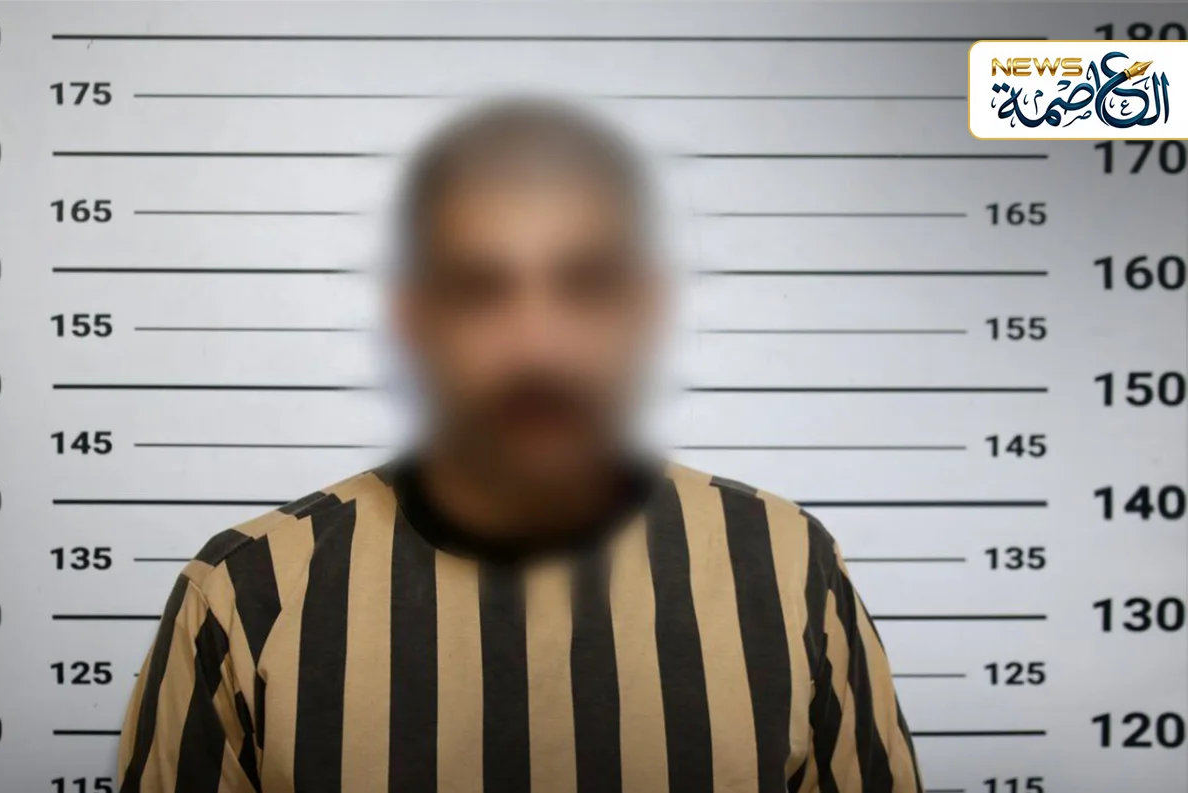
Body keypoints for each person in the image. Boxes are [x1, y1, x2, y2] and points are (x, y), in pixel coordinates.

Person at [117, 97, 922, 793]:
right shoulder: (246, 592)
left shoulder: (784, 564)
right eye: (480, 288)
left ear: (643, 309)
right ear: (414, 319)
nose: (537, 345)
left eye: (584, 284)